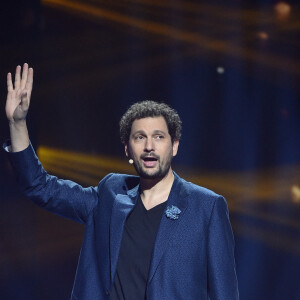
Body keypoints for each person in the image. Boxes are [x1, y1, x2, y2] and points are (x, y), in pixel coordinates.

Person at [4, 63, 239, 300]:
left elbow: (225, 293)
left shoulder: (206, 207)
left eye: (159, 137)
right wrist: (17, 124)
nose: (149, 146)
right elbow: (40, 186)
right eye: (140, 137)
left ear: (174, 146)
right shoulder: (110, 193)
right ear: (127, 148)